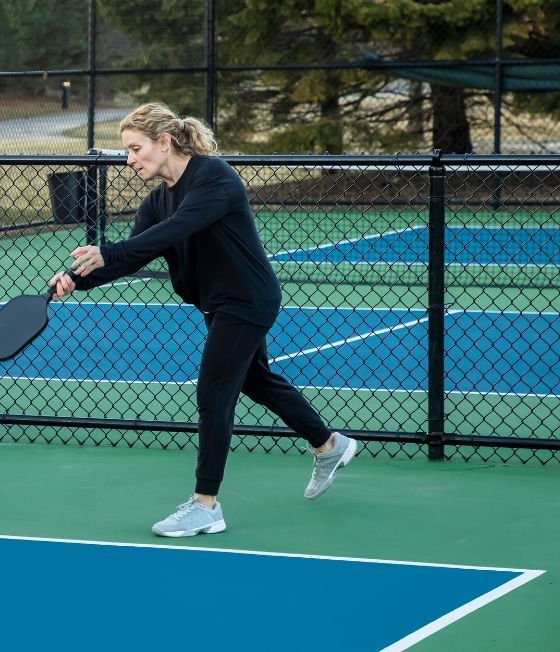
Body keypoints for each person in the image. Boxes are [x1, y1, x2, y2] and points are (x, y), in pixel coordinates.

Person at [48, 102, 359, 537]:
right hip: (217, 304)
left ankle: (205, 505)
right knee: (255, 380)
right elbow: (136, 253)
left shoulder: (214, 176)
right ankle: (329, 445)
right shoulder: (157, 201)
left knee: (213, 391)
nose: (129, 160)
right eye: (127, 152)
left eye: (136, 149)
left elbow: (176, 230)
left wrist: (109, 251)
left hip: (247, 299)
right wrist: (77, 281)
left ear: (164, 142)